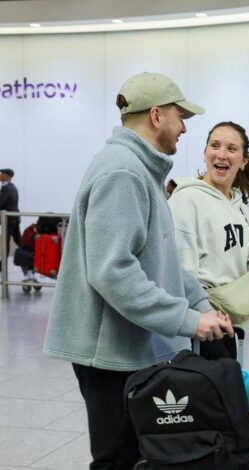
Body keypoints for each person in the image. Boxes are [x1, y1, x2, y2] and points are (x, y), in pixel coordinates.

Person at [42, 72, 234, 468]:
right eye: (181, 117)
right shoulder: (123, 172)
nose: (184, 128)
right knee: (117, 459)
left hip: (126, 348)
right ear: (157, 116)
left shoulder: (141, 171)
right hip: (108, 355)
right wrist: (186, 320)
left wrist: (200, 304)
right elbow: (113, 271)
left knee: (136, 456)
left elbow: (161, 260)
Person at [169, 121, 249, 360]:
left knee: (227, 391)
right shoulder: (186, 200)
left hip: (232, 324)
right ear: (205, 153)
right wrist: (199, 316)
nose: (221, 154)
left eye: (231, 148)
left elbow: (248, 261)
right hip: (202, 326)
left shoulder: (240, 209)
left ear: (243, 161)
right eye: (215, 146)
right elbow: (179, 270)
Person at [0, 168, 20, 257]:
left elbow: (1, 202)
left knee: (6, 240)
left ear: (8, 176)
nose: (0, 175)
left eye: (2, 174)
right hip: (14, 217)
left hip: (9, 219)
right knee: (18, 240)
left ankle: (3, 265)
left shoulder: (7, 188)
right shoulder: (11, 187)